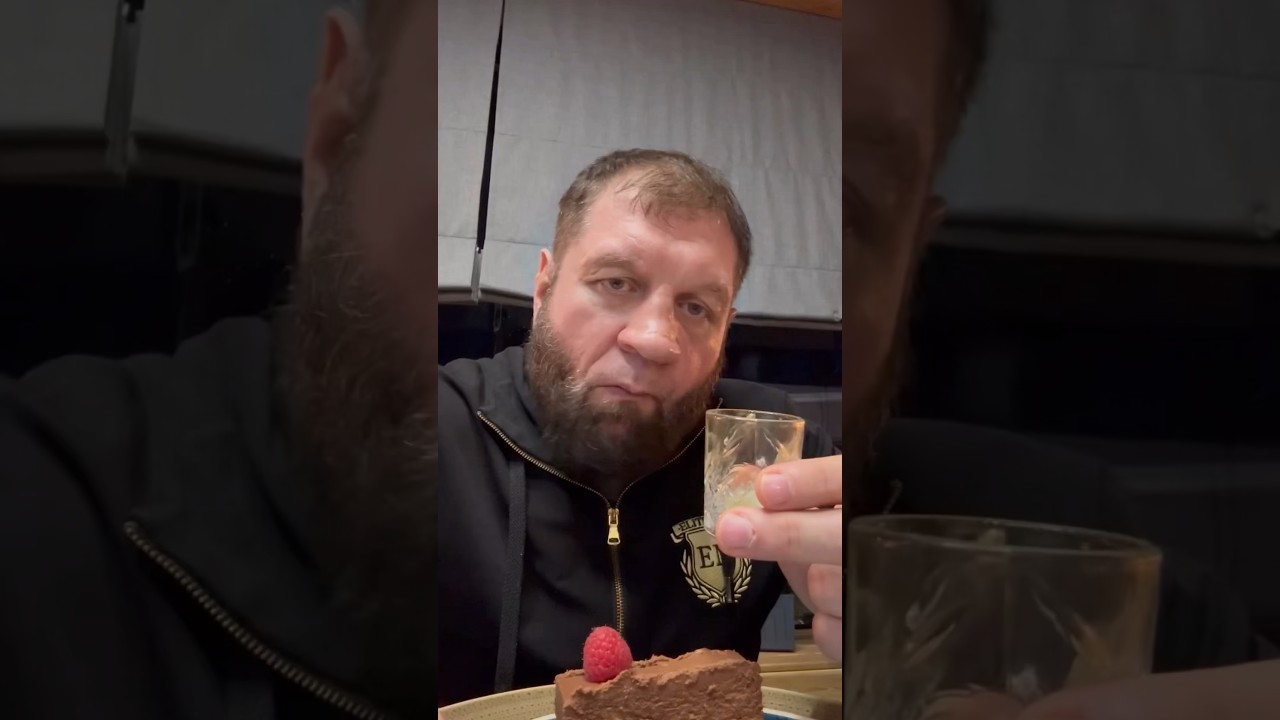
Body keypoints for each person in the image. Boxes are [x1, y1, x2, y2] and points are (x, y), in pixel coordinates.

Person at [436, 148, 840, 704]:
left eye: (695, 308)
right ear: (544, 286)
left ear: (726, 329)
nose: (653, 340)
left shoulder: (772, 455)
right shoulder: (434, 429)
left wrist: (887, 625)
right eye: (616, 283)